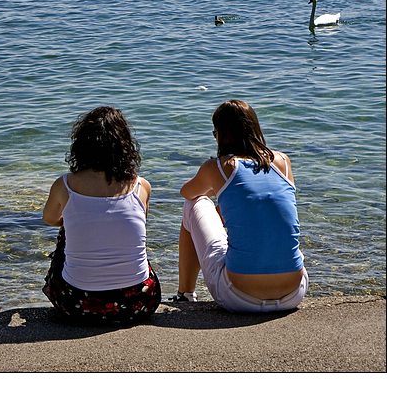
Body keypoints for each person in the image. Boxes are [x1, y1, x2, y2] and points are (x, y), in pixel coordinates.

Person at [173, 99, 308, 313]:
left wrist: (217, 191)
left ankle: (185, 294)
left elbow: (187, 192)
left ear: (220, 134)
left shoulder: (217, 167)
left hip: (239, 297)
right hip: (294, 293)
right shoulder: (282, 162)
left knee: (195, 204)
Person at [42, 105, 161, 324]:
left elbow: (49, 218)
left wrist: (73, 224)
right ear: (125, 146)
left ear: (81, 146)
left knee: (67, 229)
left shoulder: (65, 185)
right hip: (139, 302)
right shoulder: (141, 186)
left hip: (77, 304)